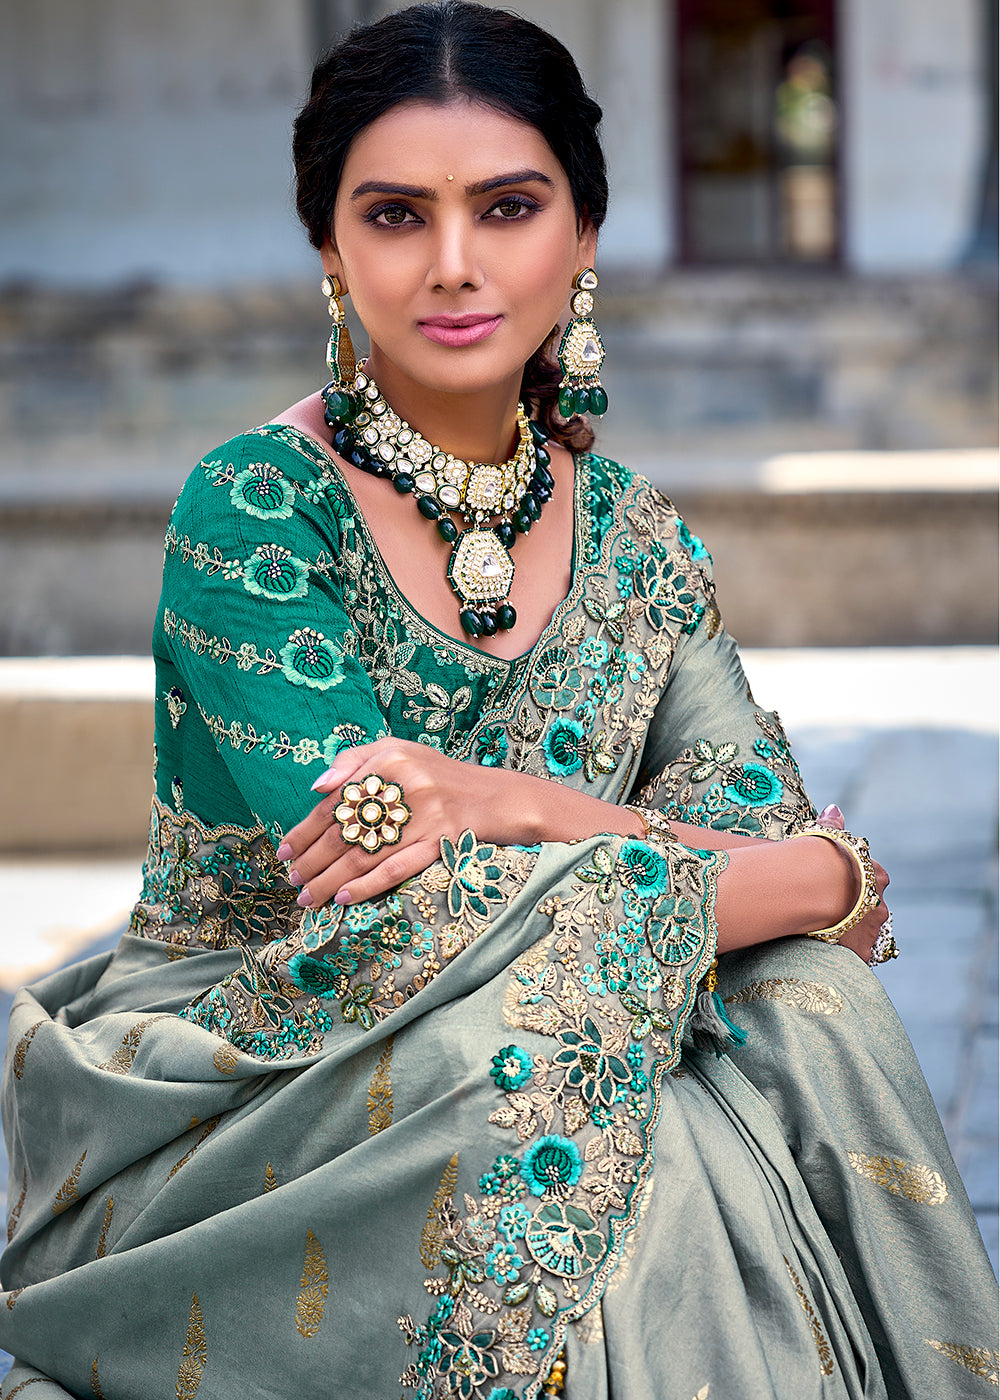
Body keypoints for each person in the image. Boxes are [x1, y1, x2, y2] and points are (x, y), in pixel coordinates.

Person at [1, 4, 995, 1396]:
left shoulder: (634, 536)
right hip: (273, 1048)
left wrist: (513, 805)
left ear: (582, 237)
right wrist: (808, 872)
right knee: (573, 1087)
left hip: (558, 1008)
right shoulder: (255, 513)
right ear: (331, 250)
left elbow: (757, 829)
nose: (454, 266)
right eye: (397, 215)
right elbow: (391, 888)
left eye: (509, 207)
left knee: (803, 1007)